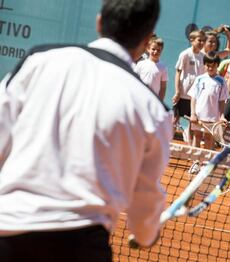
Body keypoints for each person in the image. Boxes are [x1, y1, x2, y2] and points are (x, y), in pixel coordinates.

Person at [0, 0, 172, 261]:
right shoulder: (153, 109)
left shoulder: (37, 61)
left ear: (99, 21)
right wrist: (148, 233)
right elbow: (145, 201)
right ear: (147, 39)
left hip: (8, 231)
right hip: (81, 247)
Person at [188, 51, 228, 149]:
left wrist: (222, 116)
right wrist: (193, 114)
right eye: (208, 65)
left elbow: (222, 101)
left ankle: (206, 162)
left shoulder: (222, 81)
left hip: (213, 117)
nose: (210, 68)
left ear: (217, 65)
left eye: (213, 66)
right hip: (199, 115)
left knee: (209, 138)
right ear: (204, 65)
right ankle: (195, 162)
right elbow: (194, 97)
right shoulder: (199, 79)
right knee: (197, 136)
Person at [172, 30, 206, 143]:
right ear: (192, 40)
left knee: (193, 123)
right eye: (199, 40)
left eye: (203, 41)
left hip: (196, 96)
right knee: (174, 119)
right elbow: (178, 73)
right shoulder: (185, 54)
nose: (201, 43)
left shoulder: (203, 56)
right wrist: (177, 91)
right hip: (183, 93)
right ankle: (167, 143)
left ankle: (190, 149)